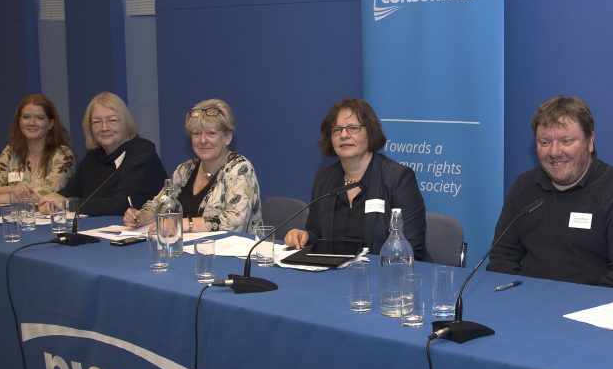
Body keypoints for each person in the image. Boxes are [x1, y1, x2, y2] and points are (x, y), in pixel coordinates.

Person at [486, 96, 613, 287]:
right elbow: (502, 259)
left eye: (566, 141)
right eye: (545, 142)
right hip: (527, 304)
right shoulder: (524, 187)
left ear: (590, 141)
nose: (555, 152)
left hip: (593, 309)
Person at [283, 98, 430, 260]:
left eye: (353, 128)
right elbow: (316, 234)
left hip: (384, 275)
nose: (344, 135)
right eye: (337, 129)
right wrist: (303, 236)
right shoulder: (324, 178)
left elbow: (411, 246)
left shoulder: (398, 178)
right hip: (333, 277)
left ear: (371, 132)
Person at [123, 98, 262, 233]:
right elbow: (159, 205)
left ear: (228, 137)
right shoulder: (185, 170)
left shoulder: (240, 168)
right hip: (189, 251)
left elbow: (235, 223)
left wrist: (181, 223)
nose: (202, 140)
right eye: (196, 134)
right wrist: (141, 217)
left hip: (234, 254)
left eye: (211, 133)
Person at [41, 92, 165, 216]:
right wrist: (51, 201)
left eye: (112, 120)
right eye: (97, 122)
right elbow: (69, 192)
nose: (104, 127)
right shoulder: (93, 156)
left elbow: (122, 204)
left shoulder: (142, 153)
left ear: (126, 123)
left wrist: (66, 204)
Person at [0, 94, 76, 204]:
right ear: (19, 121)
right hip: (13, 219)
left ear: (50, 124)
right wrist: (12, 189)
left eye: (39, 118)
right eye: (26, 117)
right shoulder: (11, 151)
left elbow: (43, 195)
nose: (31, 123)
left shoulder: (64, 155)